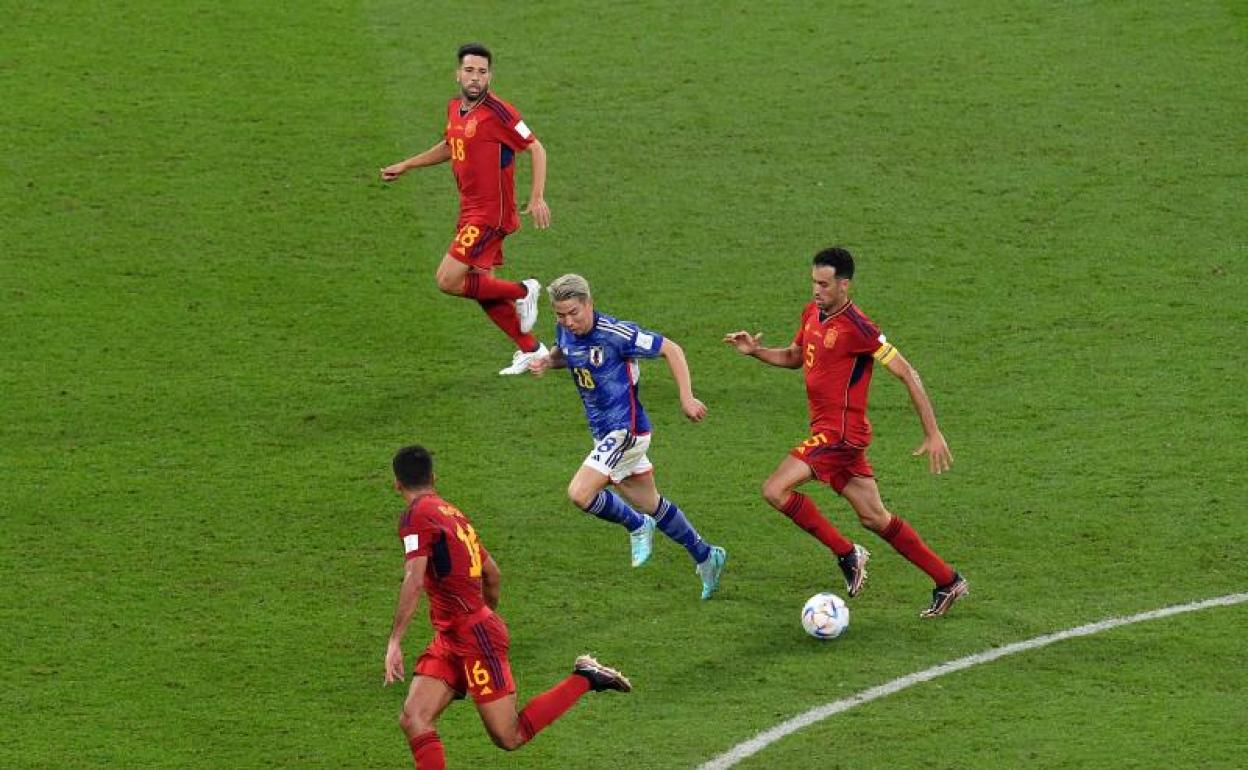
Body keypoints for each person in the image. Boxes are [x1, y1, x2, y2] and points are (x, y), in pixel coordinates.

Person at [723, 247, 968, 618]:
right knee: (875, 517)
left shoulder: (859, 328)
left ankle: (847, 553)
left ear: (844, 284)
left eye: (824, 284)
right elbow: (794, 357)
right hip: (833, 435)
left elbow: (908, 373)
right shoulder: (811, 313)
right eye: (813, 282)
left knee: (775, 489)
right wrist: (756, 351)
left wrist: (933, 433)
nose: (816, 290)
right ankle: (948, 580)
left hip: (839, 436)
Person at [383, 445, 631, 769]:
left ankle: (585, 677)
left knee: (508, 735)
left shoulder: (415, 517)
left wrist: (395, 641)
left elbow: (414, 580)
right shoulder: (453, 514)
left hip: (471, 634)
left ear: (397, 483)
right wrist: (484, 615)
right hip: (454, 635)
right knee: (414, 718)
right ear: (433, 477)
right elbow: (492, 573)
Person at [529, 274, 727, 600]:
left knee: (580, 493)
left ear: (589, 304)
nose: (568, 321)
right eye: (560, 315)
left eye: (574, 313)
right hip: (603, 435)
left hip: (626, 432)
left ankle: (636, 525)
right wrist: (549, 361)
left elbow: (672, 349)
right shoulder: (565, 329)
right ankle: (707, 556)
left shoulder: (617, 334)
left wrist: (687, 398)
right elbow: (567, 353)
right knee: (653, 504)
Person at [380, 42, 550, 376]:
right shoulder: (455, 108)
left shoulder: (500, 113)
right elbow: (450, 145)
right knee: (480, 284)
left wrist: (537, 196)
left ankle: (524, 290)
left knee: (447, 279)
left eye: (482, 72)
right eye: (469, 71)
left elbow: (536, 148)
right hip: (470, 210)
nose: (475, 78)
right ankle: (532, 349)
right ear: (457, 74)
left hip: (490, 214)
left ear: (490, 76)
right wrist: (408, 164)